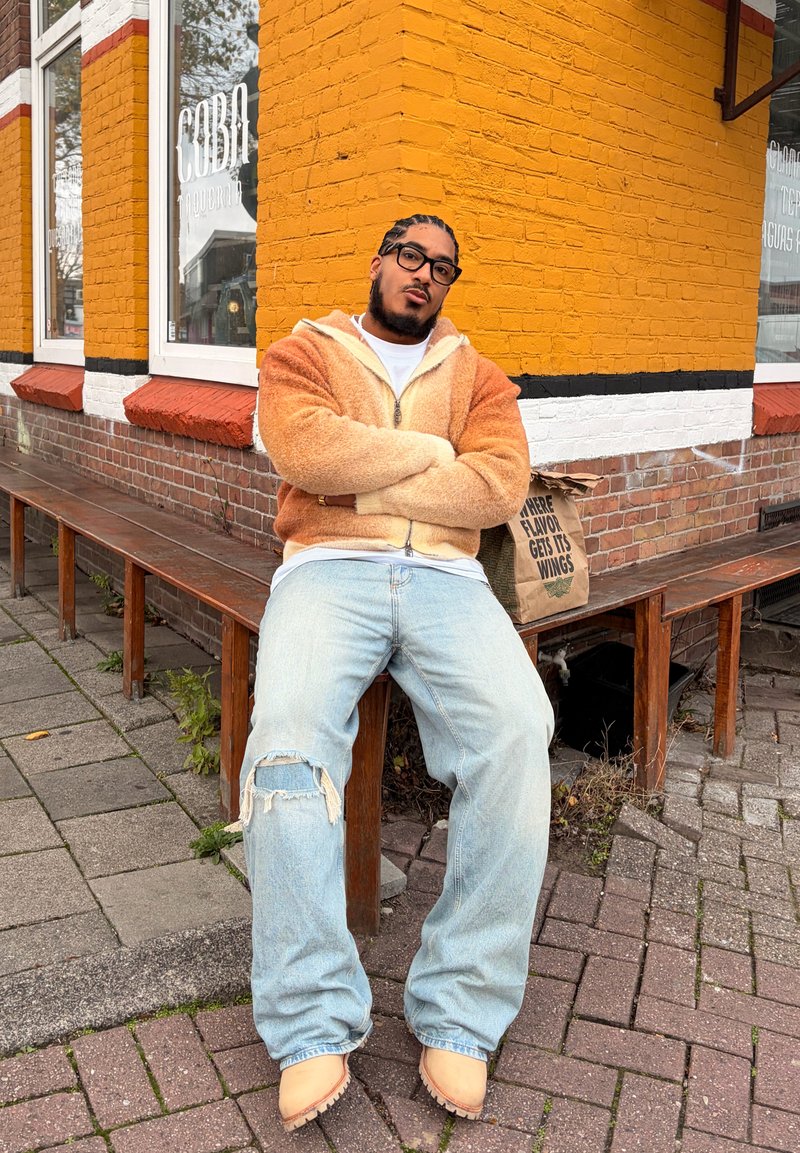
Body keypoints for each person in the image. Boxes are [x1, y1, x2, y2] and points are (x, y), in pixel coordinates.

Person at [240, 212, 554, 1132]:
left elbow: (498, 489)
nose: (426, 275)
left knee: (516, 731)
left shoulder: (481, 377)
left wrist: (367, 469)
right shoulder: (305, 351)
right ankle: (309, 1022)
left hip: (450, 580)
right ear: (380, 262)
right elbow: (304, 449)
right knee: (290, 744)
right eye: (412, 257)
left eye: (445, 268)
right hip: (326, 569)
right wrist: (432, 457)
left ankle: (461, 1008)